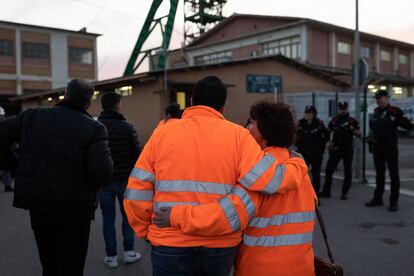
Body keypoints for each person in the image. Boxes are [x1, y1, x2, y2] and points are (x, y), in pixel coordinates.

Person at [123, 76, 308, 276]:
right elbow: (269, 180)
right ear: (223, 106)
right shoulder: (239, 136)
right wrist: (297, 163)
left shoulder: (162, 134)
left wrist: (146, 231)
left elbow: (136, 191)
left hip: (169, 242)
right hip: (220, 245)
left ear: (192, 102)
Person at [0, 79, 113, 276]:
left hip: (39, 203)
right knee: (72, 266)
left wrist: (15, 164)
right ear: (88, 102)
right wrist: (99, 184)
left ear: (65, 95)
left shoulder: (32, 116)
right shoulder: (94, 128)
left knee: (49, 263)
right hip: (75, 209)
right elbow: (102, 171)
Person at [97, 92, 142, 268]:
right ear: (117, 105)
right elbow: (137, 156)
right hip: (125, 181)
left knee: (108, 218)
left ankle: (111, 256)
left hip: (104, 181)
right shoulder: (127, 127)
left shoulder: (96, 126)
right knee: (127, 216)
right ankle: (129, 252)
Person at [366, 90, 412, 212]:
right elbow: (373, 129)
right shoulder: (375, 112)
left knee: (393, 176)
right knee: (379, 175)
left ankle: (393, 202)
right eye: (377, 98)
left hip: (390, 148)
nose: (379, 100)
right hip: (378, 148)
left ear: (387, 98)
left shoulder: (394, 111)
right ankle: (378, 198)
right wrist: (371, 141)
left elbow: (408, 125)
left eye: (381, 98)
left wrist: (396, 120)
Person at [320, 102, 361, 200]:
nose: (343, 110)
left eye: (344, 108)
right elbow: (328, 132)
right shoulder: (334, 120)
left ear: (347, 109)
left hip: (347, 149)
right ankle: (326, 191)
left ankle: (344, 193)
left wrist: (353, 130)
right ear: (339, 109)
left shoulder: (352, 121)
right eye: (341, 108)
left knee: (347, 171)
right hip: (336, 148)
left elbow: (359, 134)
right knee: (329, 169)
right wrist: (328, 142)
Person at [296, 105, 330, 194]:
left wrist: (322, 146)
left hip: (316, 153)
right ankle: (302, 194)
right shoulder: (300, 123)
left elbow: (327, 135)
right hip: (303, 153)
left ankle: (316, 195)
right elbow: (295, 136)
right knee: (302, 174)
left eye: (309, 113)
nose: (307, 115)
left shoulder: (319, 124)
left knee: (316, 174)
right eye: (306, 113)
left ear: (313, 114)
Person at [0, 106, 15, 192]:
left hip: (4, 150)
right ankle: (8, 185)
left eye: (2, 116)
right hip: (4, 149)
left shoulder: (6, 125)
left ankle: (8, 185)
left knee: (5, 169)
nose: (2, 117)